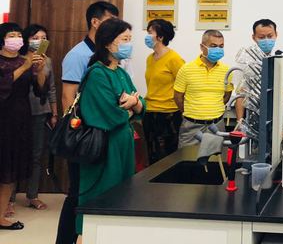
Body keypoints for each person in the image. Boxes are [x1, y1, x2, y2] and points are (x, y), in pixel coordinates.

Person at [56, 0, 120, 244]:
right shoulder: (78, 55)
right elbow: (68, 99)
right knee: (77, 193)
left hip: (105, 132)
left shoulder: (108, 55)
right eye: (111, 21)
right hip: (84, 135)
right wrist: (77, 138)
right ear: (95, 22)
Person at [75, 18, 144, 238]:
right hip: (104, 145)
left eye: (130, 39)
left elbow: (141, 104)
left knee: (122, 197)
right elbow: (110, 114)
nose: (128, 45)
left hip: (123, 143)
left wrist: (135, 103)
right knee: (101, 198)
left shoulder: (120, 72)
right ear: (107, 43)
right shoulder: (97, 73)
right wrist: (131, 108)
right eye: (124, 39)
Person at [0, 22, 47, 231]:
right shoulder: (12, 63)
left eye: (19, 35)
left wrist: (39, 70)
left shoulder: (24, 60)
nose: (17, 38)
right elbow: (3, 85)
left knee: (10, 170)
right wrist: (25, 67)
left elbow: (39, 90)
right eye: (12, 35)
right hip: (2, 118)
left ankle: (1, 216)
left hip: (20, 120)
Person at [7, 25, 57, 214]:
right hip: (16, 113)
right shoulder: (17, 59)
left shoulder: (47, 61)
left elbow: (50, 88)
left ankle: (32, 195)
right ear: (26, 40)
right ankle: (9, 199)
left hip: (39, 112)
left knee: (37, 155)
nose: (39, 41)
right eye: (35, 37)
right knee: (13, 155)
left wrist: (54, 113)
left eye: (43, 38)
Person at [235, 19, 283, 132]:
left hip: (278, 113)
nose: (266, 40)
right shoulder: (246, 59)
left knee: (276, 142)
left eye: (270, 36)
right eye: (261, 37)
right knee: (252, 141)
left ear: (276, 34)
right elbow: (240, 94)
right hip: (252, 113)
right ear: (254, 37)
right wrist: (240, 123)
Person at [174, 30, 233, 147]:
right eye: (213, 46)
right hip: (192, 126)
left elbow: (227, 95)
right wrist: (193, 112)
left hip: (217, 126)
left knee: (216, 158)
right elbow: (178, 97)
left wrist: (212, 109)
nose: (218, 49)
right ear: (202, 47)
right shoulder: (186, 69)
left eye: (221, 46)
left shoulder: (227, 71)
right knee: (188, 157)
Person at [143, 19, 184, 165]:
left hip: (169, 115)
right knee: (152, 156)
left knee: (167, 158)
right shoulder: (150, 58)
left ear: (160, 37)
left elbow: (184, 87)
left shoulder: (174, 59)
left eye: (150, 33)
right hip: (149, 113)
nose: (147, 36)